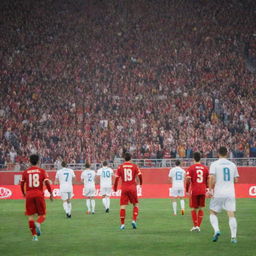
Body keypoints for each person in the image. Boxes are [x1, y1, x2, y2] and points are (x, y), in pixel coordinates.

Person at [208, 146, 239, 243]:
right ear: (227, 153)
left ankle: (216, 230)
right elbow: (236, 180)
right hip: (230, 192)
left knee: (213, 212)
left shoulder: (214, 164)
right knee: (231, 214)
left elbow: (211, 178)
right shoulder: (232, 165)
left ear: (218, 154)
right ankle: (233, 237)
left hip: (219, 192)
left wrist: (210, 190)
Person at [20, 154, 53, 241]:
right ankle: (38, 223)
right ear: (38, 161)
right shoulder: (42, 171)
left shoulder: (25, 172)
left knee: (30, 216)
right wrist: (51, 193)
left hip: (29, 195)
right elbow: (47, 183)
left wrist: (23, 193)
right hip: (39, 194)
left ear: (30, 161)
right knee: (43, 215)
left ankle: (34, 236)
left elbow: (22, 184)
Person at [113, 152, 142, 230]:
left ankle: (122, 224)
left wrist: (115, 188)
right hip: (132, 187)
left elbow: (116, 178)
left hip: (124, 188)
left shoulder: (120, 167)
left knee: (123, 206)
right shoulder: (134, 166)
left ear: (124, 158)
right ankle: (134, 220)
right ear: (131, 158)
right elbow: (140, 175)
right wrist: (141, 183)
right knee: (136, 204)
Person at [186, 152, 209, 232]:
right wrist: (207, 189)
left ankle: (195, 226)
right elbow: (207, 180)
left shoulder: (191, 168)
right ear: (200, 158)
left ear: (193, 159)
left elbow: (188, 180)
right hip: (202, 190)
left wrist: (186, 190)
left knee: (193, 209)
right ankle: (198, 226)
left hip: (194, 190)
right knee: (200, 208)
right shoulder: (205, 168)